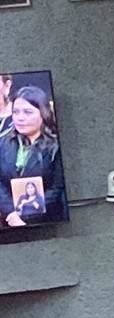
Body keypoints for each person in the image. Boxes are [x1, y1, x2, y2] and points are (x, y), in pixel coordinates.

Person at [0, 86, 65, 227]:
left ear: (43, 113)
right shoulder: (3, 143)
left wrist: (24, 215)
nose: (20, 118)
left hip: (47, 222)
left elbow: (57, 187)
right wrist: (11, 213)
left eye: (28, 112)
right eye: (16, 112)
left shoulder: (56, 147)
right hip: (8, 220)